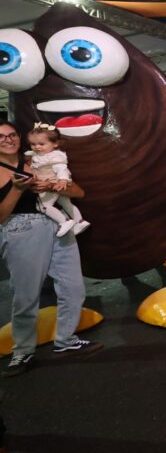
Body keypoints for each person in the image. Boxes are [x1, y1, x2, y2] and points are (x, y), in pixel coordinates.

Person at [1, 121, 99, 378]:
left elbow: (79, 192)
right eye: (0, 136)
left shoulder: (37, 159)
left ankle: (66, 340)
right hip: (22, 230)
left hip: (60, 225)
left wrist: (56, 185)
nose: (7, 140)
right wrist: (17, 189)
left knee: (73, 287)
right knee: (26, 295)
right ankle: (23, 351)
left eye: (11, 134)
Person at [24, 124, 89, 237]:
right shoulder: (39, 155)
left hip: (53, 183)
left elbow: (62, 169)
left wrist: (62, 180)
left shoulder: (55, 157)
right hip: (55, 184)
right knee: (66, 203)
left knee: (43, 206)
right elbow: (31, 155)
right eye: (33, 144)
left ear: (55, 144)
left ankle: (64, 221)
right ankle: (80, 221)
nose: (37, 147)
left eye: (41, 144)